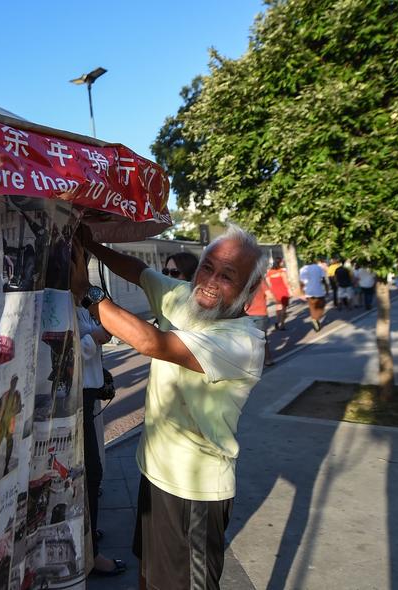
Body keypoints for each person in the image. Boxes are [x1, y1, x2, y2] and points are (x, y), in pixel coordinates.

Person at [71, 223, 266, 590]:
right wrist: (94, 246)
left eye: (228, 275)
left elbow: (151, 342)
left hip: (194, 492)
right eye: (207, 267)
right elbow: (138, 271)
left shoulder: (244, 343)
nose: (210, 280)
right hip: (154, 473)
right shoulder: (184, 297)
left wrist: (86, 290)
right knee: (148, 574)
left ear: (250, 290)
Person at [74, 277, 126, 577]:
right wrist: (93, 339)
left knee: (91, 474)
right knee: (90, 473)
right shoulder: (63, 303)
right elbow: (65, 353)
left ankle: (88, 534)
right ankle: (89, 551)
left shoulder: (81, 305)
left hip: (89, 394)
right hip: (76, 397)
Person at [0, 375, 23, 478]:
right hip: (1, 423)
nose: (14, 383)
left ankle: (6, 468)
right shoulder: (5, 394)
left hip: (10, 423)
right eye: (13, 381)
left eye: (16, 381)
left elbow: (19, 408)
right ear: (11, 382)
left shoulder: (17, 395)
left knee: (9, 446)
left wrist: (15, 410)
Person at [246, 281, 273, 366]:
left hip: (246, 314)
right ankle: (267, 359)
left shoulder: (243, 280)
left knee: (249, 340)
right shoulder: (261, 281)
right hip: (261, 313)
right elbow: (270, 295)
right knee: (262, 338)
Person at [299, 258, 329, 331]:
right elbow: (324, 279)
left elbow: (301, 282)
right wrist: (327, 289)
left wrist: (301, 292)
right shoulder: (319, 267)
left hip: (308, 291)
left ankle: (314, 319)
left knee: (312, 307)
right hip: (318, 290)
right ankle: (316, 319)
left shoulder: (302, 269)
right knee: (321, 306)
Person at [265, 258, 292, 330]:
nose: (283, 263)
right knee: (284, 308)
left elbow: (268, 284)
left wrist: (271, 292)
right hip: (283, 292)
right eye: (282, 262)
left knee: (278, 307)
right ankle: (282, 324)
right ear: (279, 263)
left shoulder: (269, 273)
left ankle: (277, 321)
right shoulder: (281, 272)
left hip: (275, 292)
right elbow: (286, 282)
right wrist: (290, 291)